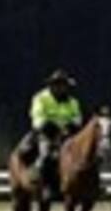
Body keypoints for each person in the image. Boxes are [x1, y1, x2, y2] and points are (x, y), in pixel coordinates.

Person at [24, 69, 82, 197]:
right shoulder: (40, 98)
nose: (63, 88)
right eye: (60, 85)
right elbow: (37, 117)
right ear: (53, 85)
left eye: (65, 85)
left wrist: (72, 125)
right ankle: (45, 185)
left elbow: (77, 117)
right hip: (46, 133)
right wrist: (49, 125)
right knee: (46, 154)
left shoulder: (72, 102)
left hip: (67, 134)